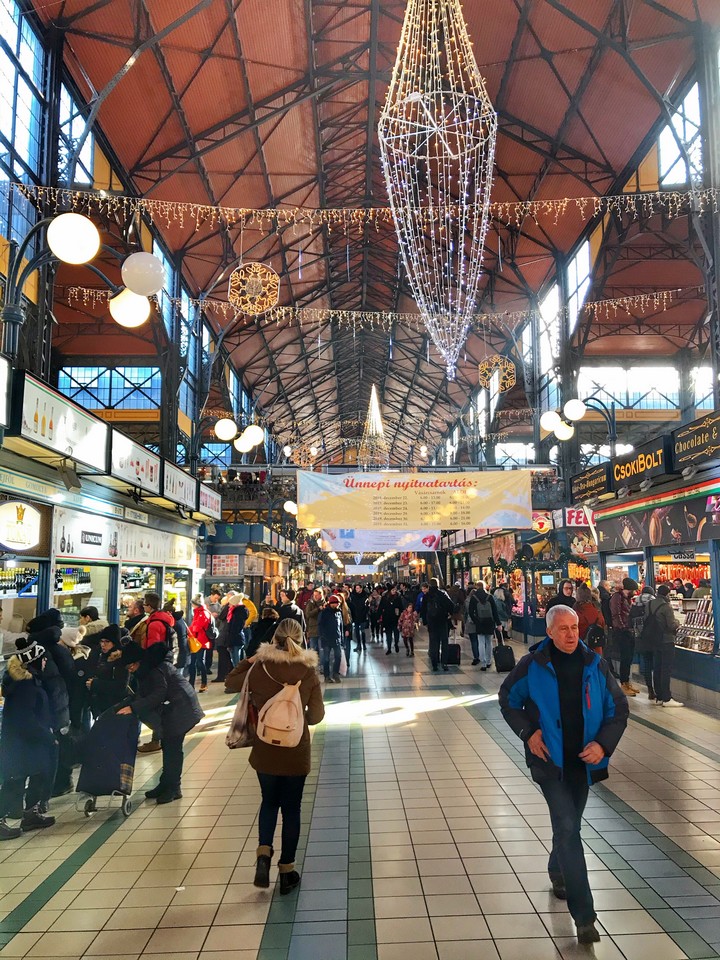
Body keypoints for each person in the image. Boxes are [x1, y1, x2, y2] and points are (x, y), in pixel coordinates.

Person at [499, 605, 628, 945]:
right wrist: (529, 733)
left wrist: (603, 745)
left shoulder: (595, 665)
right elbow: (507, 699)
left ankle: (557, 870)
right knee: (569, 828)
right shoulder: (533, 665)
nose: (572, 635)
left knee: (569, 825)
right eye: (564, 629)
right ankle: (585, 916)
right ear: (550, 632)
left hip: (583, 764)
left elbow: (618, 710)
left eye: (575, 628)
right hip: (548, 764)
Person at [224, 619, 324, 894]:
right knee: (292, 809)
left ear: (275, 639)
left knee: (269, 801)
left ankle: (263, 855)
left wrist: (250, 660)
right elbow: (316, 717)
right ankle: (287, 871)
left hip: (265, 749)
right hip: (295, 751)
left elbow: (230, 682)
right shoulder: (308, 670)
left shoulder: (260, 667)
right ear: (301, 637)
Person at [118, 641, 204, 803]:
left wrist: (134, 708)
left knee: (173, 750)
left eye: (131, 666)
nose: (130, 670)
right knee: (168, 747)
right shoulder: (148, 668)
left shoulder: (154, 670)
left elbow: (157, 695)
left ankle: (173, 788)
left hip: (180, 709)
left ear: (138, 662)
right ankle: (165, 784)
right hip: (174, 708)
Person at [0, 637, 57, 840]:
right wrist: (47, 736)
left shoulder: (29, 681)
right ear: (33, 661)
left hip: (29, 741)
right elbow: (25, 718)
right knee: (15, 781)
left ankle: (31, 814)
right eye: (42, 659)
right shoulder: (25, 686)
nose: (45, 662)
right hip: (22, 742)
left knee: (38, 774)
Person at [648, 584, 683, 707]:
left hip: (654, 640)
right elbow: (671, 625)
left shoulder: (649, 604)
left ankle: (659, 696)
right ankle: (667, 698)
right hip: (666, 640)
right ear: (668, 594)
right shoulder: (666, 606)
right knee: (666, 669)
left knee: (657, 668)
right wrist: (678, 622)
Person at [86, 624, 129, 717]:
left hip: (114, 706)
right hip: (99, 704)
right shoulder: (98, 655)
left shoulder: (121, 660)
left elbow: (121, 686)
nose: (103, 644)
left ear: (114, 642)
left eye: (107, 641)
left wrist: (95, 684)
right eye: (101, 641)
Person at [609, 578, 640, 698]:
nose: (635, 593)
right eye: (634, 590)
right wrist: (623, 627)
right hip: (622, 632)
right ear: (629, 589)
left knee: (629, 658)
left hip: (628, 631)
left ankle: (627, 682)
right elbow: (616, 614)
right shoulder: (617, 597)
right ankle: (623, 683)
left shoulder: (627, 598)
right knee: (625, 657)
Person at [421, 578, 455, 672]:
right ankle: (444, 663)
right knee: (444, 643)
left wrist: (425, 622)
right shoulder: (442, 594)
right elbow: (451, 605)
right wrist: (449, 614)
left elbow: (423, 610)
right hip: (442, 621)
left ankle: (434, 664)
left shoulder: (426, 596)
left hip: (431, 623)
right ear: (437, 584)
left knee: (433, 643)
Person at [631, 585, 657, 701]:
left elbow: (630, 621)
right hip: (652, 637)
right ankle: (658, 690)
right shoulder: (653, 602)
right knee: (656, 664)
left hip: (640, 638)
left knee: (646, 664)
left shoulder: (635, 603)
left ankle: (650, 689)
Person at [467, 582, 501, 669]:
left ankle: (483, 663)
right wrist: (498, 623)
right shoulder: (490, 597)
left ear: (477, 588)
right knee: (489, 642)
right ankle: (489, 661)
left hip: (480, 622)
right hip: (490, 622)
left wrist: (475, 620)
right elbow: (494, 611)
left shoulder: (474, 598)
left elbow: (470, 612)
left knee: (481, 642)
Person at [188, 595, 213, 692]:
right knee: (193, 662)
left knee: (199, 662)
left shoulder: (203, 613)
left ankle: (204, 683)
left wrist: (190, 631)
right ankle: (191, 683)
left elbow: (197, 627)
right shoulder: (198, 613)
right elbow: (194, 626)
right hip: (196, 641)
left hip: (201, 641)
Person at [317, 594, 344, 683]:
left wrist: (341, 638)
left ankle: (335, 673)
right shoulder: (324, 613)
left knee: (338, 656)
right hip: (327, 639)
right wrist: (322, 637)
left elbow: (341, 626)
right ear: (332, 603)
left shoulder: (339, 612)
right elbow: (320, 625)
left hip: (337, 638)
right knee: (326, 658)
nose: (338, 605)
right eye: (337, 603)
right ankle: (327, 676)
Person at [574, 585, 606, 656]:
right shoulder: (597, 611)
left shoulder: (575, 614)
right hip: (596, 649)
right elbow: (603, 625)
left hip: (580, 650)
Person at [164, 602, 188, 673]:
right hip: (182, 653)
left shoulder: (174, 623)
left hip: (178, 655)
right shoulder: (180, 620)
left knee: (177, 679)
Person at [379, 584, 402, 654]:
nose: (394, 591)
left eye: (395, 590)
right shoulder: (384, 598)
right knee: (388, 634)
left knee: (396, 632)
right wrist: (378, 617)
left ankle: (396, 644)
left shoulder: (398, 598)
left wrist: (400, 613)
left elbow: (401, 607)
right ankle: (389, 648)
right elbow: (380, 607)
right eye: (393, 590)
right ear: (389, 591)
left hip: (396, 618)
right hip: (387, 618)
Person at [349, 583, 369, 653]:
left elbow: (367, 606)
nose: (357, 589)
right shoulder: (353, 596)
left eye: (358, 588)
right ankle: (358, 645)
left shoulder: (365, 596)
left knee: (362, 631)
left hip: (363, 616)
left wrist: (365, 613)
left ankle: (364, 644)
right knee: (357, 631)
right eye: (356, 588)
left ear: (361, 588)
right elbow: (351, 606)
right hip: (356, 616)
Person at [304, 588, 324, 654]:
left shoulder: (324, 603)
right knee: (313, 649)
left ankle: (321, 663)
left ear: (321, 595)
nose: (315, 596)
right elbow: (308, 614)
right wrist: (318, 609)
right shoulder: (310, 603)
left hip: (322, 629)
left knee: (322, 649)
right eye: (314, 595)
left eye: (317, 595)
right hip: (313, 629)